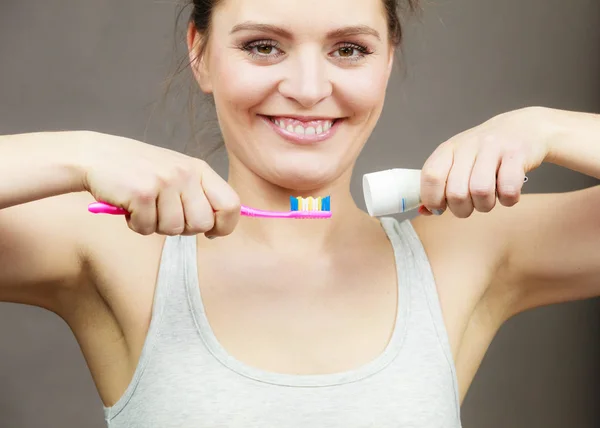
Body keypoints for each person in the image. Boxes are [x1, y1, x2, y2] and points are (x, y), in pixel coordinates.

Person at [1, 0, 599, 426]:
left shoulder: (466, 252)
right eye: (263, 46)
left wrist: (543, 127)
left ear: (387, 60)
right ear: (202, 54)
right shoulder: (111, 246)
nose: (310, 87)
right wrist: (80, 152)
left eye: (349, 50)